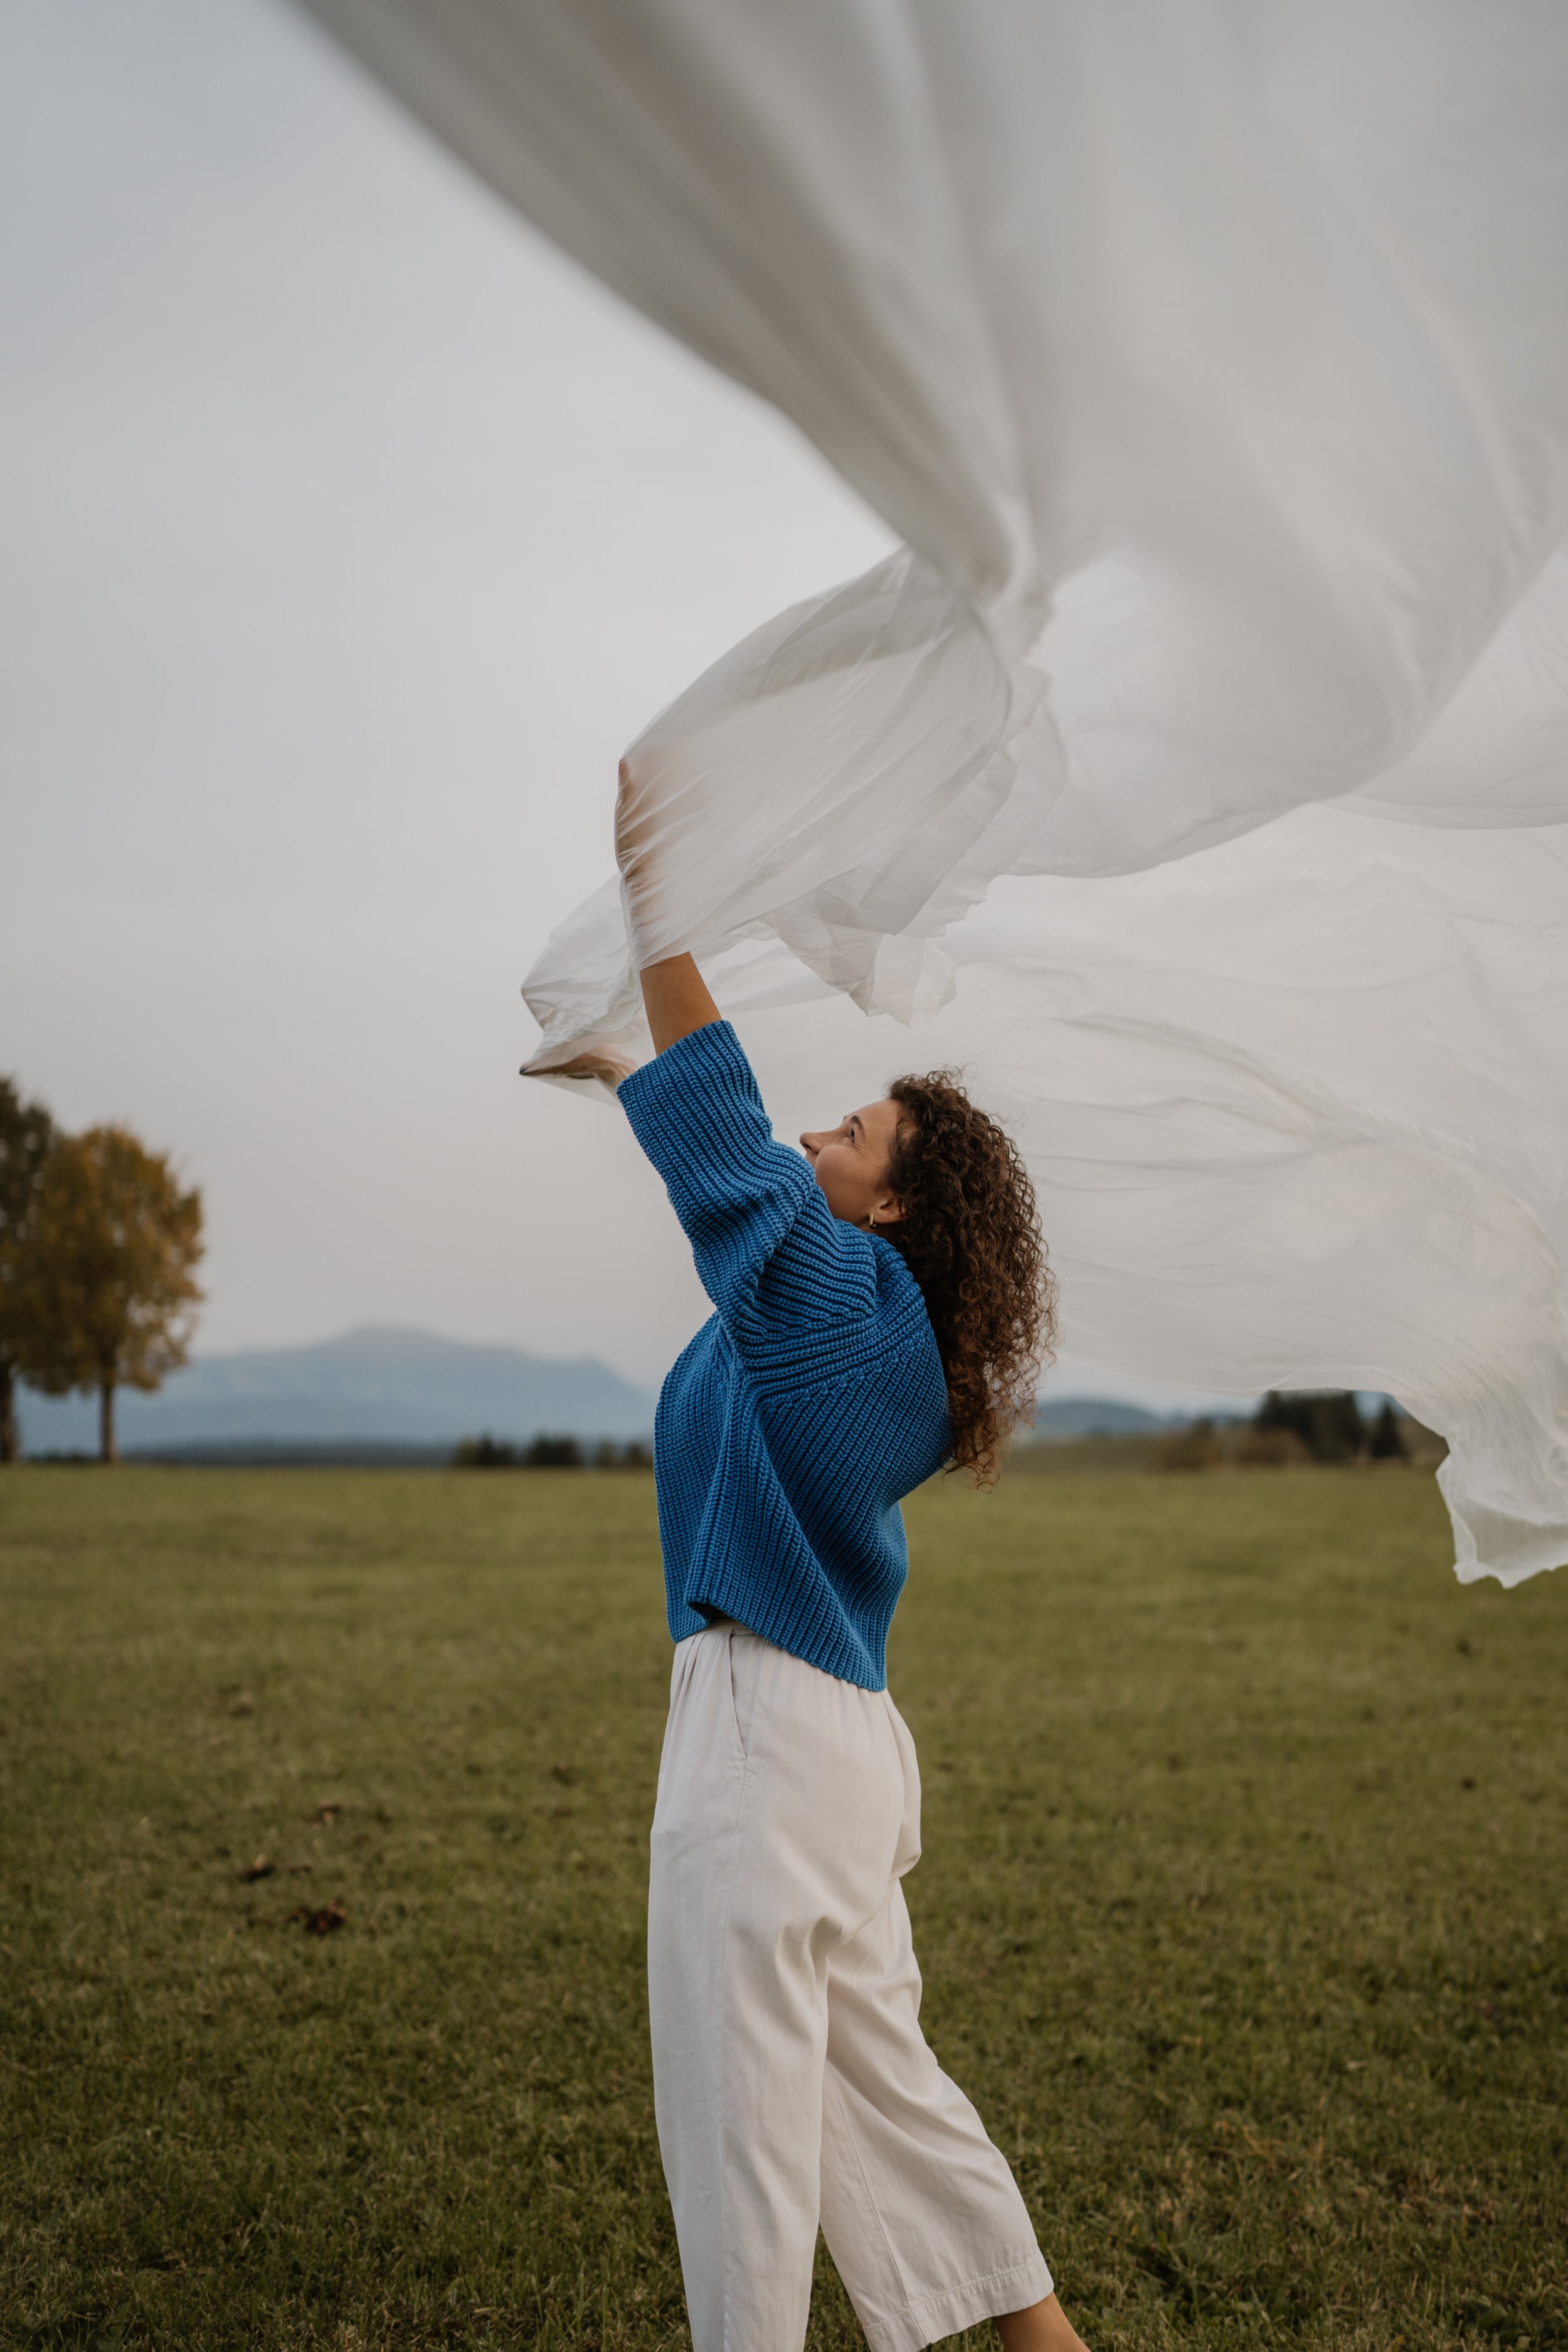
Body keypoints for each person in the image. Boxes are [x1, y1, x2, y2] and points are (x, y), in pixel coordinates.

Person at [597, 940, 1089, 2352]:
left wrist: (658, 927)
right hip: (827, 1748)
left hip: (765, 1735)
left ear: (891, 1201)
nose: (818, 1133)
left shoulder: (857, 1318)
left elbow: (736, 1172)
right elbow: (737, 1211)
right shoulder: (866, 1331)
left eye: (852, 1132)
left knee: (739, 2131)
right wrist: (626, 1068)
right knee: (878, 2098)